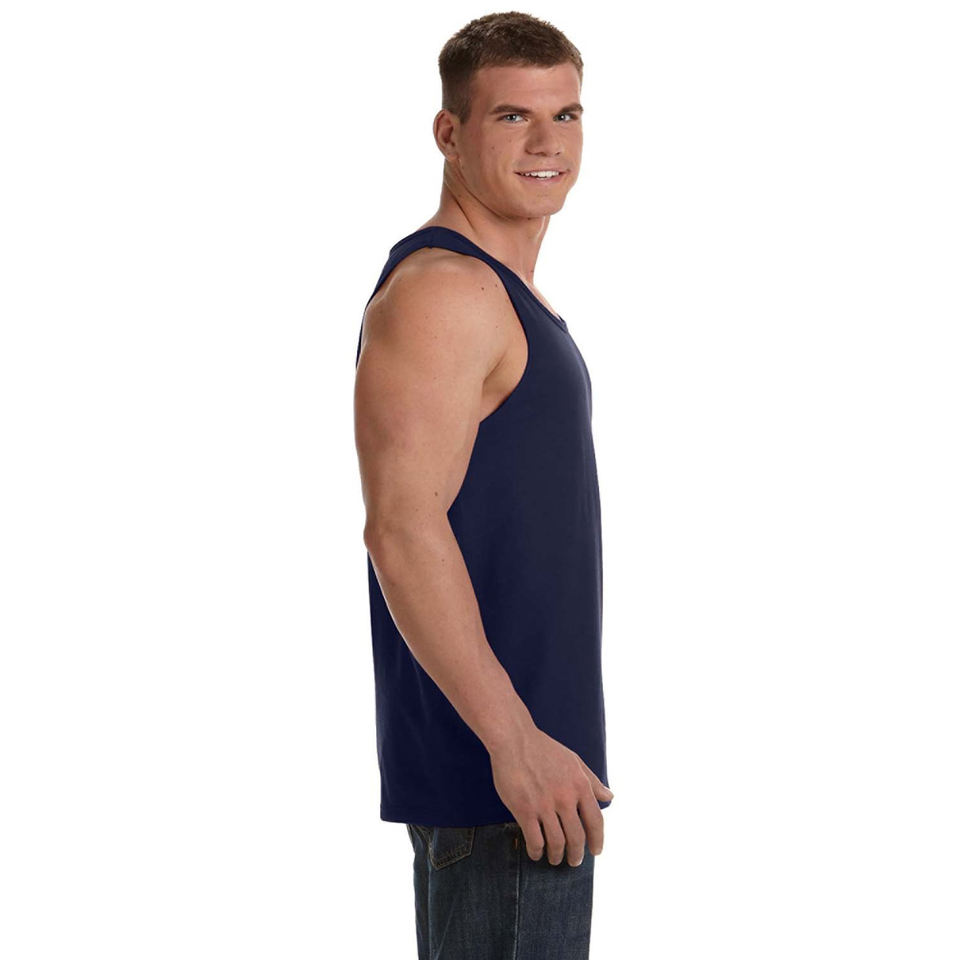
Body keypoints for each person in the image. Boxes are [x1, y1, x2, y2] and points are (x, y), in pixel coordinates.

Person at [353, 12, 613, 959]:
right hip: (505, 784)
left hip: (533, 781)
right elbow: (401, 529)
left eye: (566, 114)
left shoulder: (500, 291)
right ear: (449, 132)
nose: (548, 142)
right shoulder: (446, 291)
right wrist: (515, 741)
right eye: (512, 116)